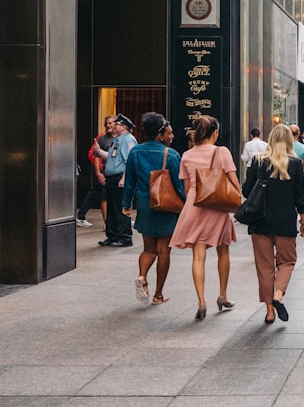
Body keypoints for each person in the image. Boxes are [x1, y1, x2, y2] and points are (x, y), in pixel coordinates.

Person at [170, 115, 240, 320]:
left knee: (198, 256)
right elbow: (233, 180)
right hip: (218, 205)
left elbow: (185, 187)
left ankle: (201, 301)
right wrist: (238, 201)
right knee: (223, 250)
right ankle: (223, 295)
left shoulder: (187, 155)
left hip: (195, 204)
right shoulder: (222, 151)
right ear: (215, 133)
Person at [242, 123, 304, 324]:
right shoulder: (295, 164)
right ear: (289, 141)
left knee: (264, 266)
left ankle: (270, 311)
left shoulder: (258, 161)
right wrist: (303, 221)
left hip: (260, 221)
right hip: (285, 221)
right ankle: (279, 294)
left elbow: (246, 191)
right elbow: (299, 197)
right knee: (287, 261)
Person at [121, 112, 184, 305]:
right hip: (166, 206)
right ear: (159, 134)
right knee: (164, 250)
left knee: (149, 248)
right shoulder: (172, 155)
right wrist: (187, 205)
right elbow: (179, 185)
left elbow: (129, 182)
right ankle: (158, 295)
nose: (172, 136)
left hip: (145, 205)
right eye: (169, 133)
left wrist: (126, 205)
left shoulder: (136, 152)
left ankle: (142, 276)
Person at [98, 113, 137, 247]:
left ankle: (124, 236)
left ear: (124, 126)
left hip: (119, 178)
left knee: (120, 208)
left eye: (118, 124)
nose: (114, 125)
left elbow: (130, 161)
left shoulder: (128, 140)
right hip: (111, 178)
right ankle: (112, 235)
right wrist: (98, 151)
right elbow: (111, 157)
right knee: (112, 209)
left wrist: (124, 178)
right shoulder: (117, 139)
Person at [77, 115, 116, 227]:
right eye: (107, 123)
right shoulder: (101, 137)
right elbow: (92, 154)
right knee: (103, 196)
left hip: (111, 173)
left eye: (110, 123)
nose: (108, 125)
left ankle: (81, 216)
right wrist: (99, 170)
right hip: (103, 172)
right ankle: (107, 223)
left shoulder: (120, 137)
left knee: (96, 193)